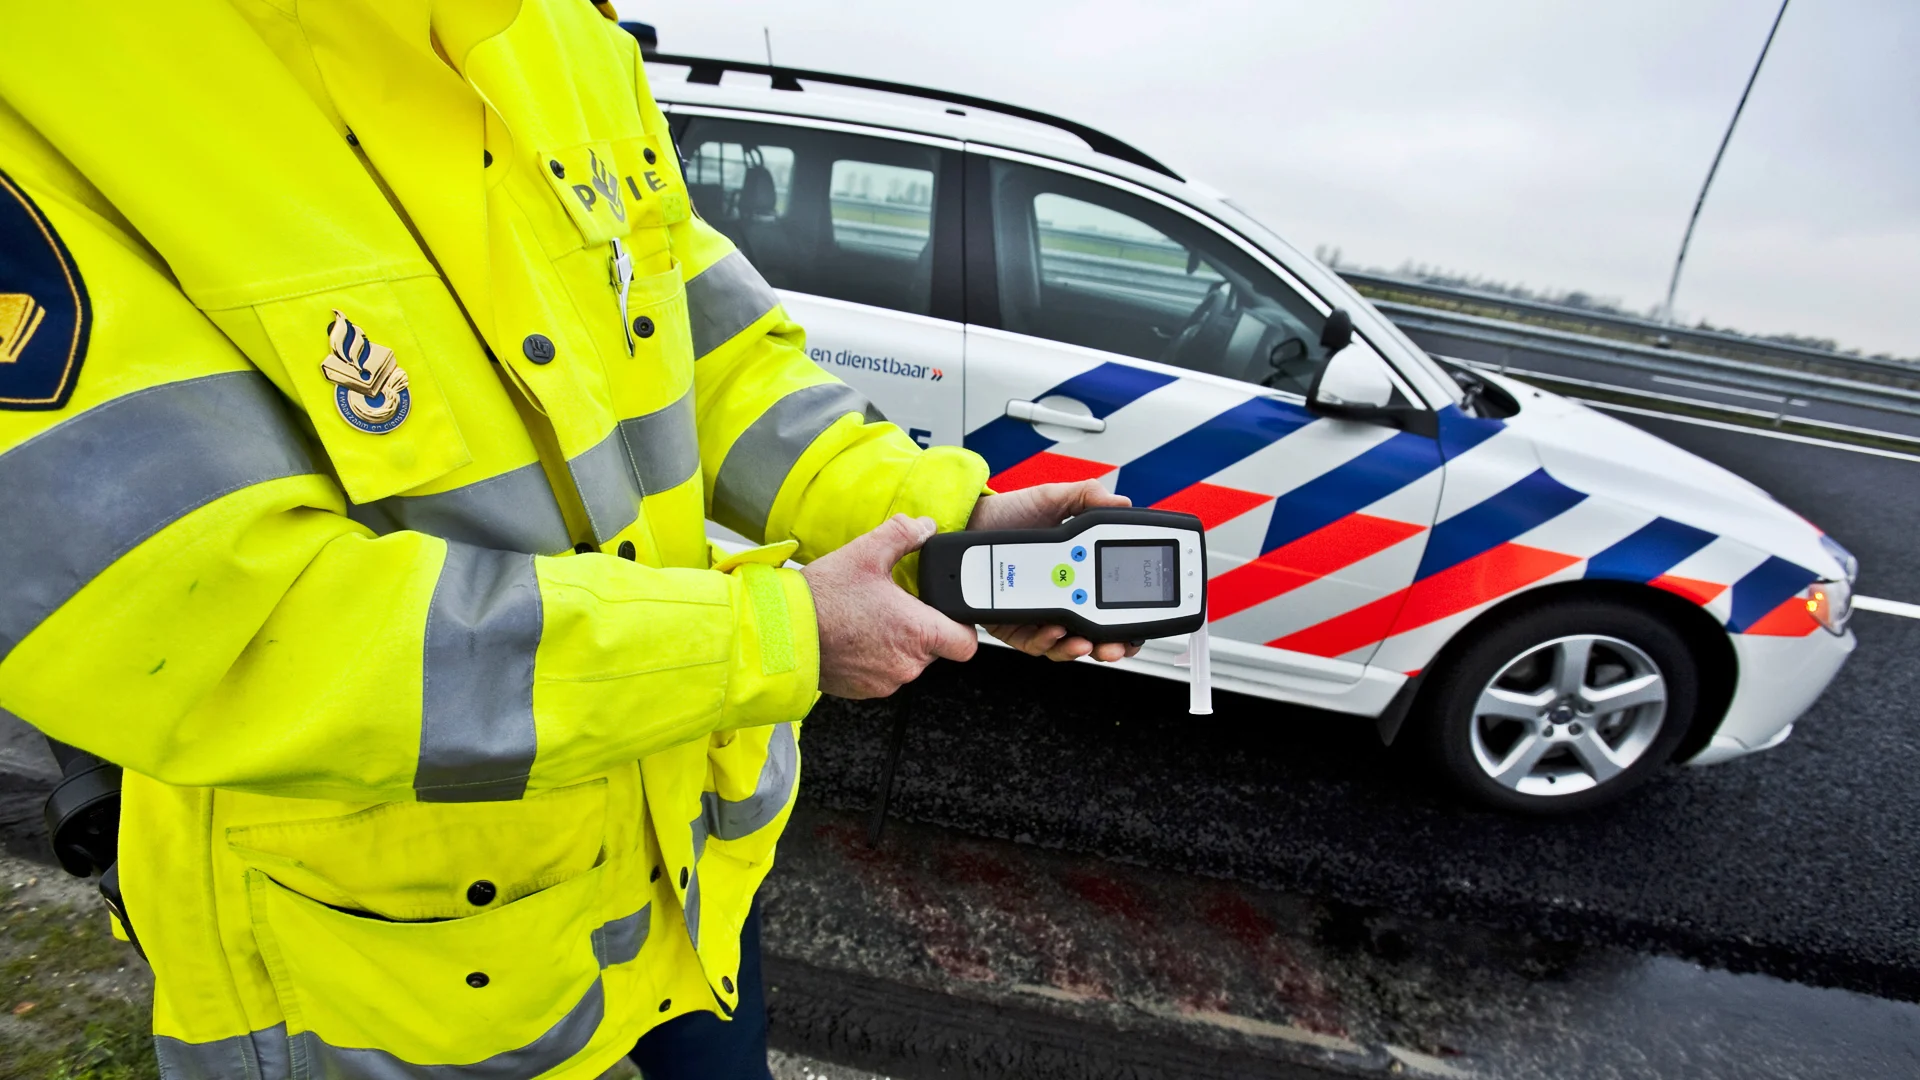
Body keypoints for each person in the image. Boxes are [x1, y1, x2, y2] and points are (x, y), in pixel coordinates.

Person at [0, 3, 1137, 1078]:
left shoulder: (563, 37)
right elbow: (224, 629)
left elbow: (711, 353)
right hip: (392, 987)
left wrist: (944, 524)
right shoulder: (52, 76)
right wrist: (775, 639)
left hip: (677, 899)